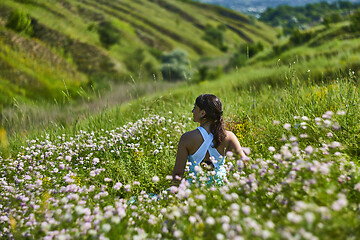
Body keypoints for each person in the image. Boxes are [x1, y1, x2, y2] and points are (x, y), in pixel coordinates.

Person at [171, 94, 246, 186]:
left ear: (203, 113)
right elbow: (245, 163)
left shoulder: (187, 138)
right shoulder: (229, 136)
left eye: (195, 108)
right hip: (221, 190)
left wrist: (173, 195)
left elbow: (178, 173)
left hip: (195, 191)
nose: (192, 111)